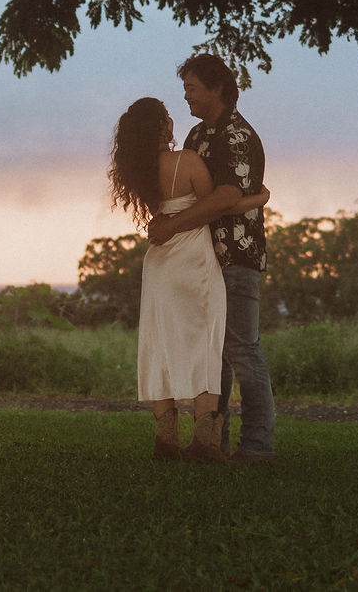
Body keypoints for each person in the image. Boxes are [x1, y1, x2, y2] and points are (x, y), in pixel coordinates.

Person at [109, 96, 269, 461]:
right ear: (159, 127)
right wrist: (261, 197)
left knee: (160, 344)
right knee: (205, 344)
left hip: (160, 264)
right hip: (193, 260)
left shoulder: (139, 170)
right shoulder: (186, 161)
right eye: (166, 117)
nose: (172, 121)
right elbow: (220, 203)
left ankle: (165, 438)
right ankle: (206, 442)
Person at [148, 53, 276, 463]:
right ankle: (211, 443)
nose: (186, 96)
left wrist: (172, 225)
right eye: (185, 88)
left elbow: (225, 197)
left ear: (216, 88)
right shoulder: (196, 137)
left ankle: (256, 446)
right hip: (202, 261)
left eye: (191, 88)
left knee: (242, 349)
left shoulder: (237, 136)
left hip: (236, 257)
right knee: (211, 353)